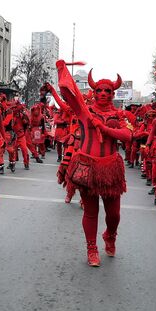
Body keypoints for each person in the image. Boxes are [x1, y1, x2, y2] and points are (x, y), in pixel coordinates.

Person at [55, 62, 131, 267]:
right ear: (94, 92)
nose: (104, 93)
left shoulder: (119, 115)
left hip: (110, 169)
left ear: (113, 93)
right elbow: (69, 92)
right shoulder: (83, 111)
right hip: (87, 167)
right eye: (99, 90)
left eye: (108, 90)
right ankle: (92, 249)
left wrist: (106, 130)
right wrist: (61, 70)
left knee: (114, 214)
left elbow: (127, 135)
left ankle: (110, 235)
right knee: (91, 212)